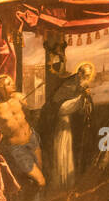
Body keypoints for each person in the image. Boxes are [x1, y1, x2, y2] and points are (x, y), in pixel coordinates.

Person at [39, 63, 94, 193]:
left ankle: (73, 185)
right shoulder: (68, 85)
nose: (88, 78)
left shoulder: (81, 86)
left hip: (76, 128)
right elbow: (61, 108)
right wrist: (81, 97)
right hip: (63, 127)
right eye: (86, 75)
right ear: (79, 74)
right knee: (65, 156)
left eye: (89, 76)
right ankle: (64, 186)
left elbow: (87, 108)